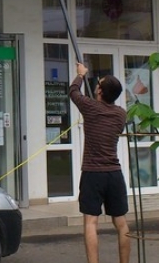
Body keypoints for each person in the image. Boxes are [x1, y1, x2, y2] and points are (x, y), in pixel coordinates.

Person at [70, 63, 130, 263]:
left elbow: (73, 91)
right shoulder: (121, 114)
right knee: (121, 223)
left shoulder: (90, 107)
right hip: (114, 174)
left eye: (99, 84)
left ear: (100, 91)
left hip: (92, 173)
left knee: (91, 222)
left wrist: (80, 75)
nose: (96, 85)